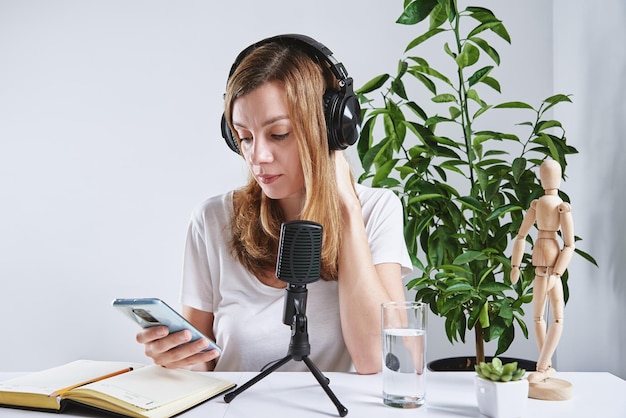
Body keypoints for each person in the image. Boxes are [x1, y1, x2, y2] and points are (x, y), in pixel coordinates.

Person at [136, 34, 413, 374]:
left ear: (328, 129)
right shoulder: (212, 220)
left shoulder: (376, 210)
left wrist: (347, 212)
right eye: (245, 137)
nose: (258, 157)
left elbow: (384, 362)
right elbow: (200, 370)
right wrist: (176, 361)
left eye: (278, 134)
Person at [510, 159, 575, 383]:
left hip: (547, 262)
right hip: (547, 261)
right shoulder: (550, 205)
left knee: (547, 317)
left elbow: (522, 236)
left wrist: (556, 274)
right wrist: (515, 265)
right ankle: (544, 366)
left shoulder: (547, 205)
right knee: (546, 317)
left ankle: (542, 365)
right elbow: (568, 244)